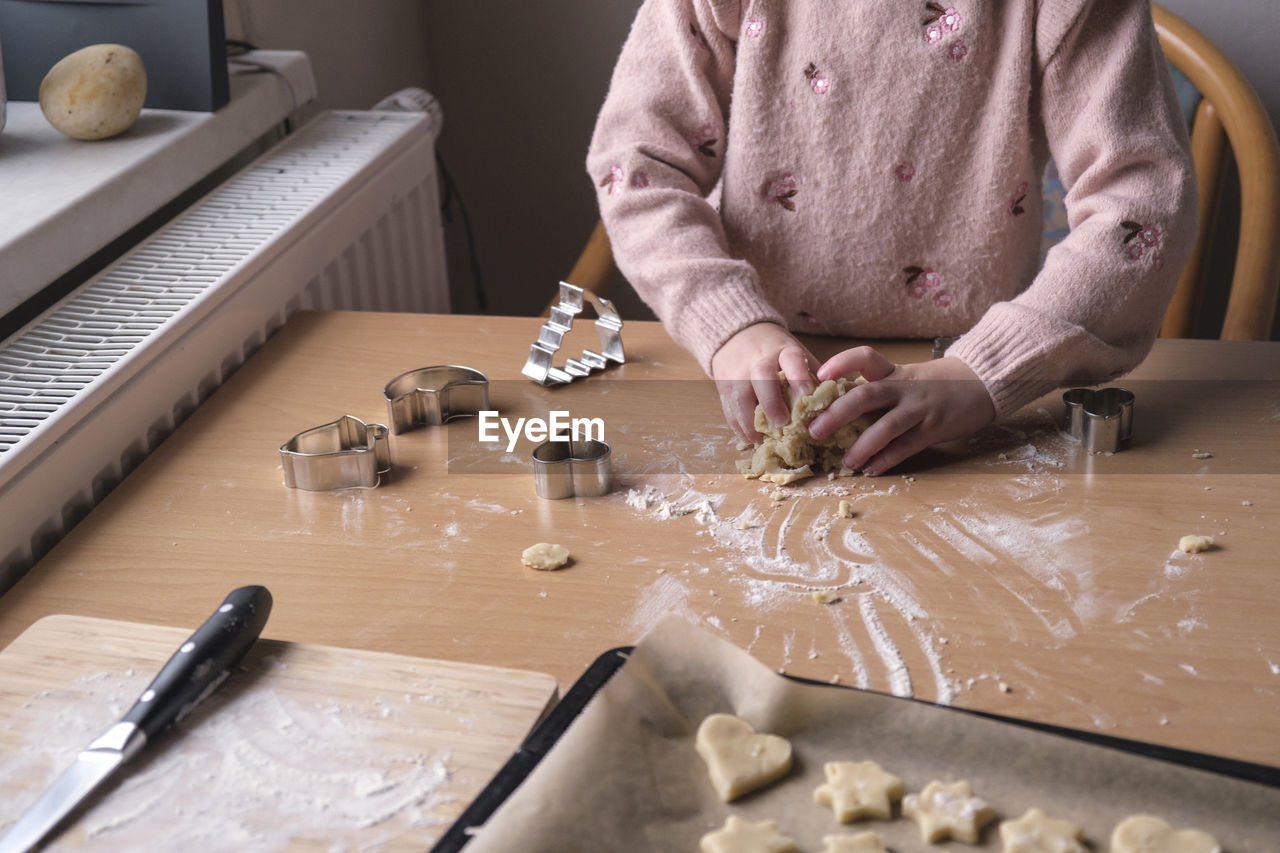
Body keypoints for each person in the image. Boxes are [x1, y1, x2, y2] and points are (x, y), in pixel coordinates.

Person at [586, 0, 1196, 475]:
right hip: (760, 366)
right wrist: (730, 325)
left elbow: (1142, 202)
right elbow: (636, 168)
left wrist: (984, 371)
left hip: (971, 379)